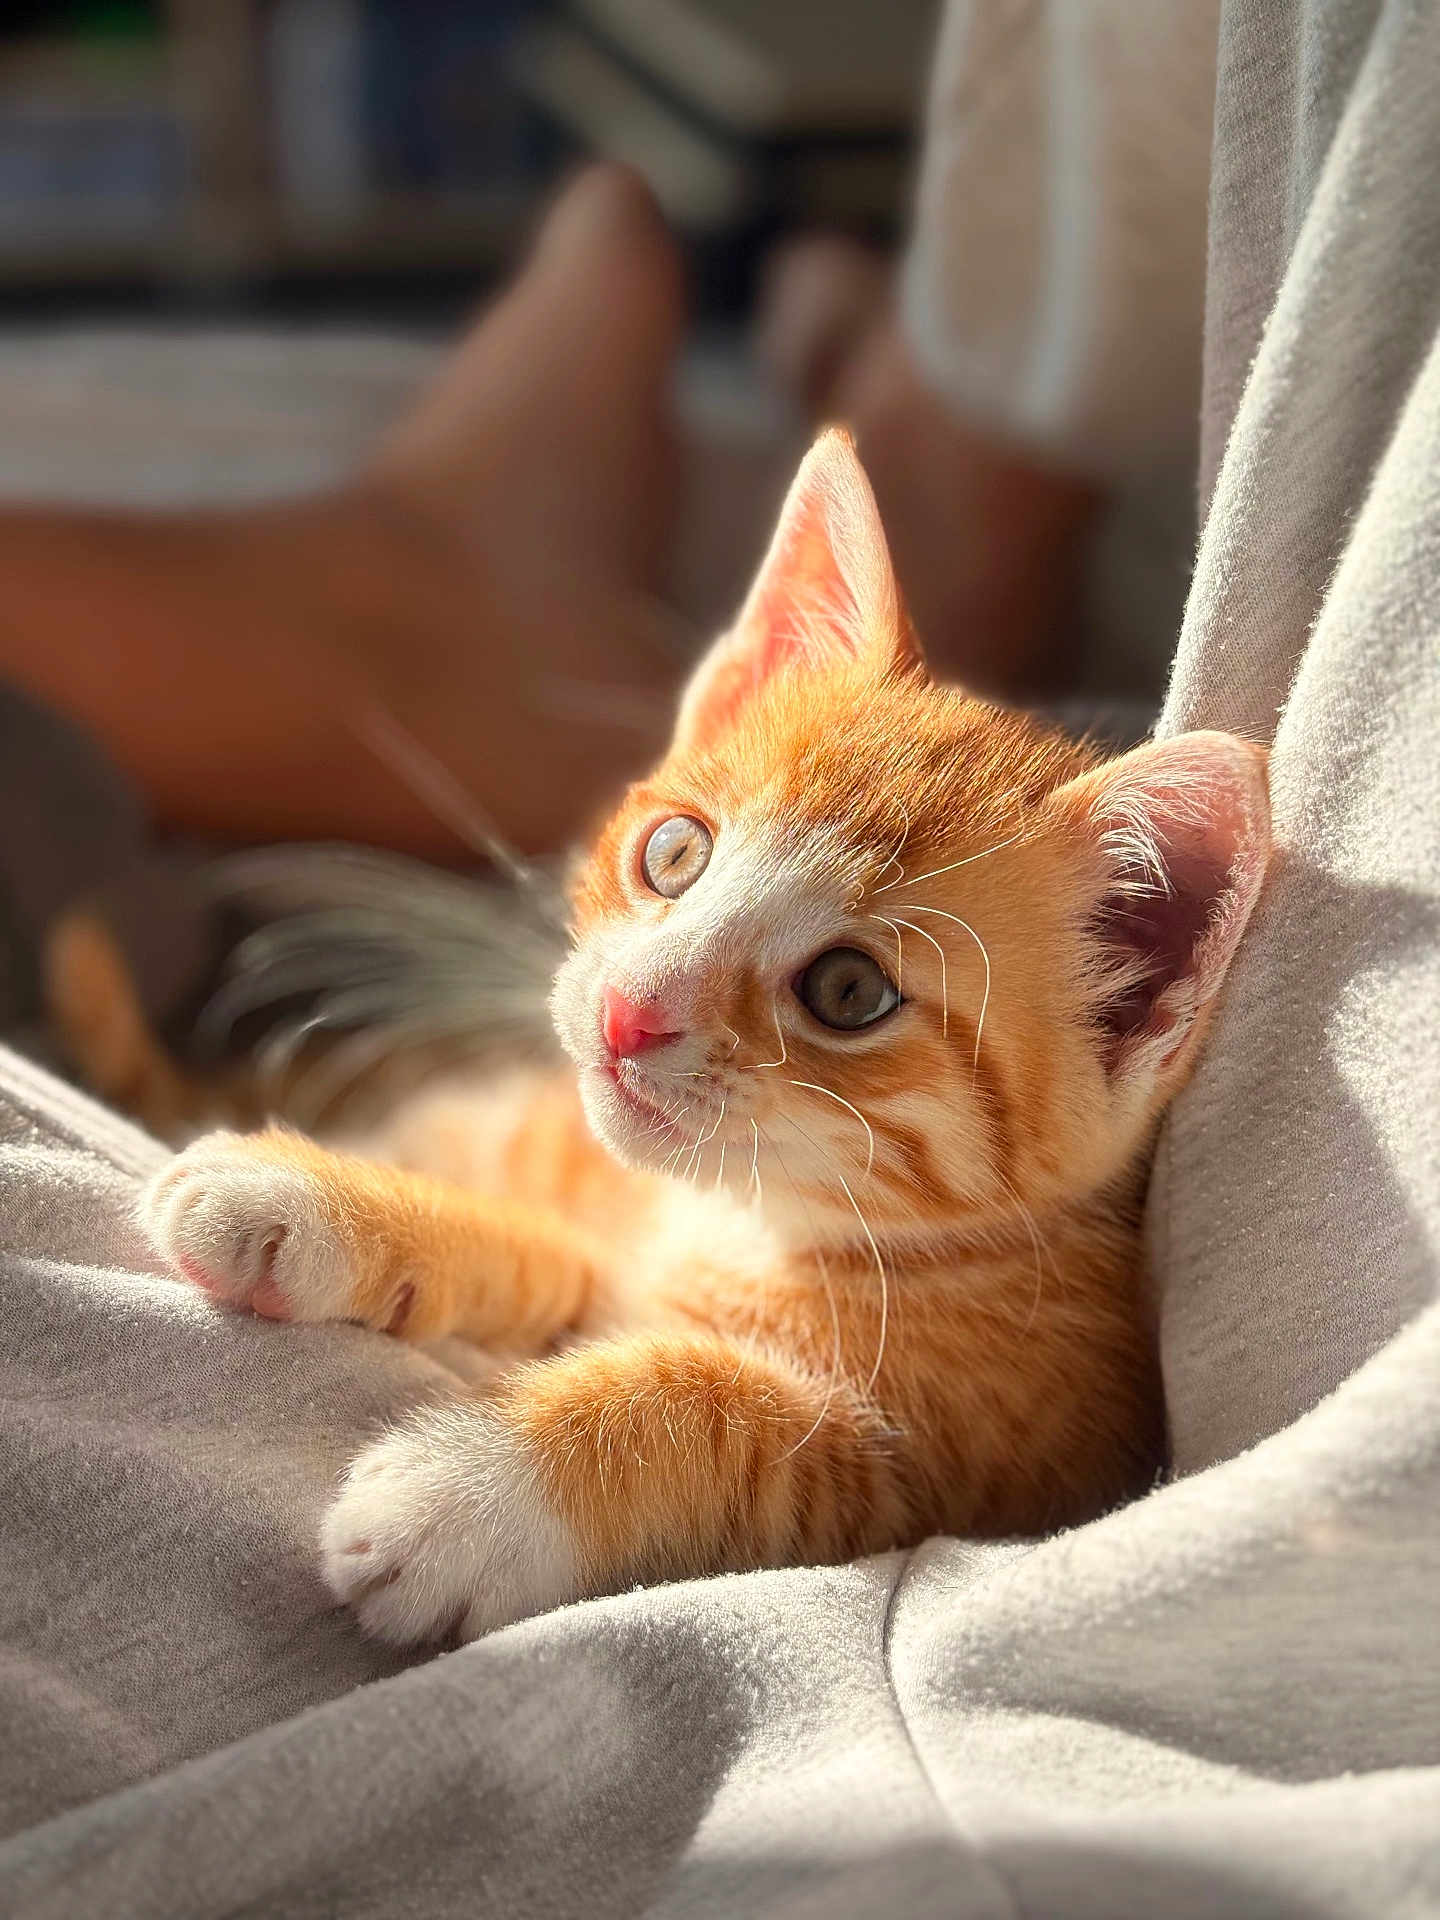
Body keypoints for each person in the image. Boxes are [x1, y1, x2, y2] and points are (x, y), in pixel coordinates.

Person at [1, 3, 1438, 1914]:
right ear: (738, 686)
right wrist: (409, 1234)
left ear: (1133, 992)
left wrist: (580, 1458)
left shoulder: (1005, 1310)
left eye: (846, 995)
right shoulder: (813, 1140)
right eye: (672, 855)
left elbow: (880, 1459)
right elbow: (593, 1267)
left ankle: (621, 516)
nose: (641, 992)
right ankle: (810, 450)